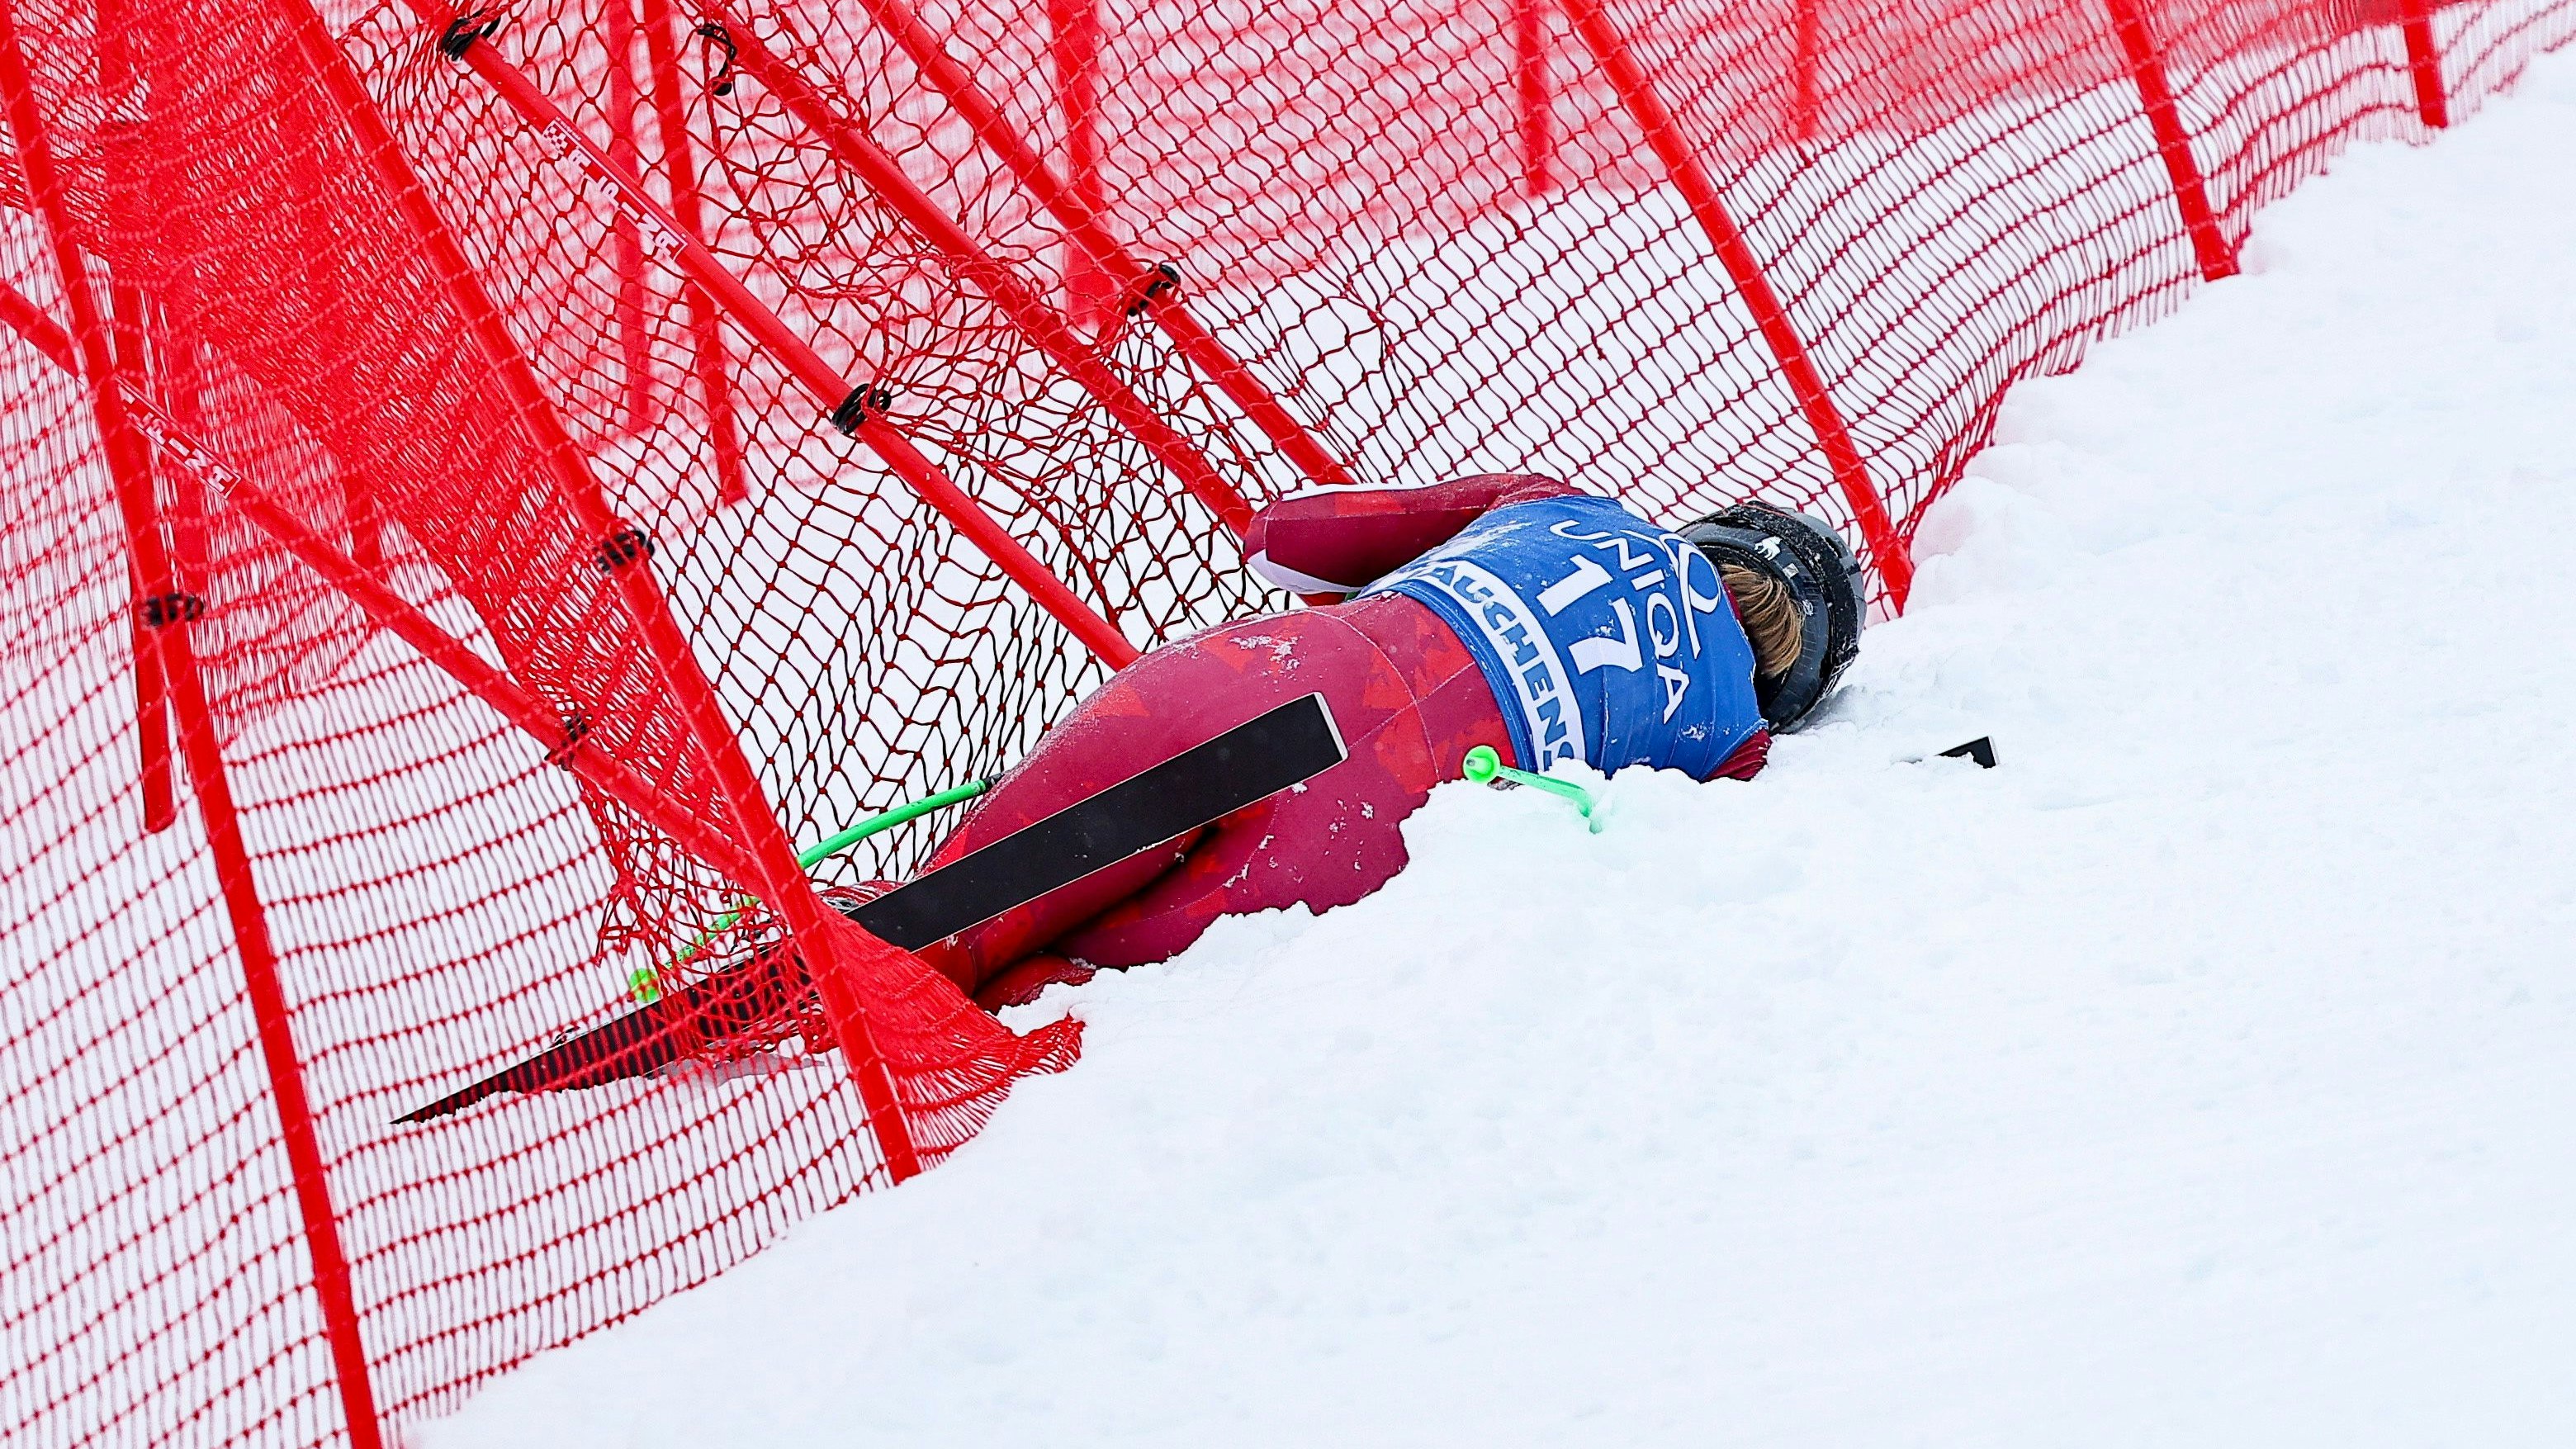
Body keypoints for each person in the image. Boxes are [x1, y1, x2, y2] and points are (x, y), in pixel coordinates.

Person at [881, 472, 1867, 1010]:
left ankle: (836, 967)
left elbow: (1286, 537)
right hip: (1368, 821)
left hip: (1274, 677)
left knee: (938, 923)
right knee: (1058, 999)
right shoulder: (1736, 739)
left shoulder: (1568, 505)